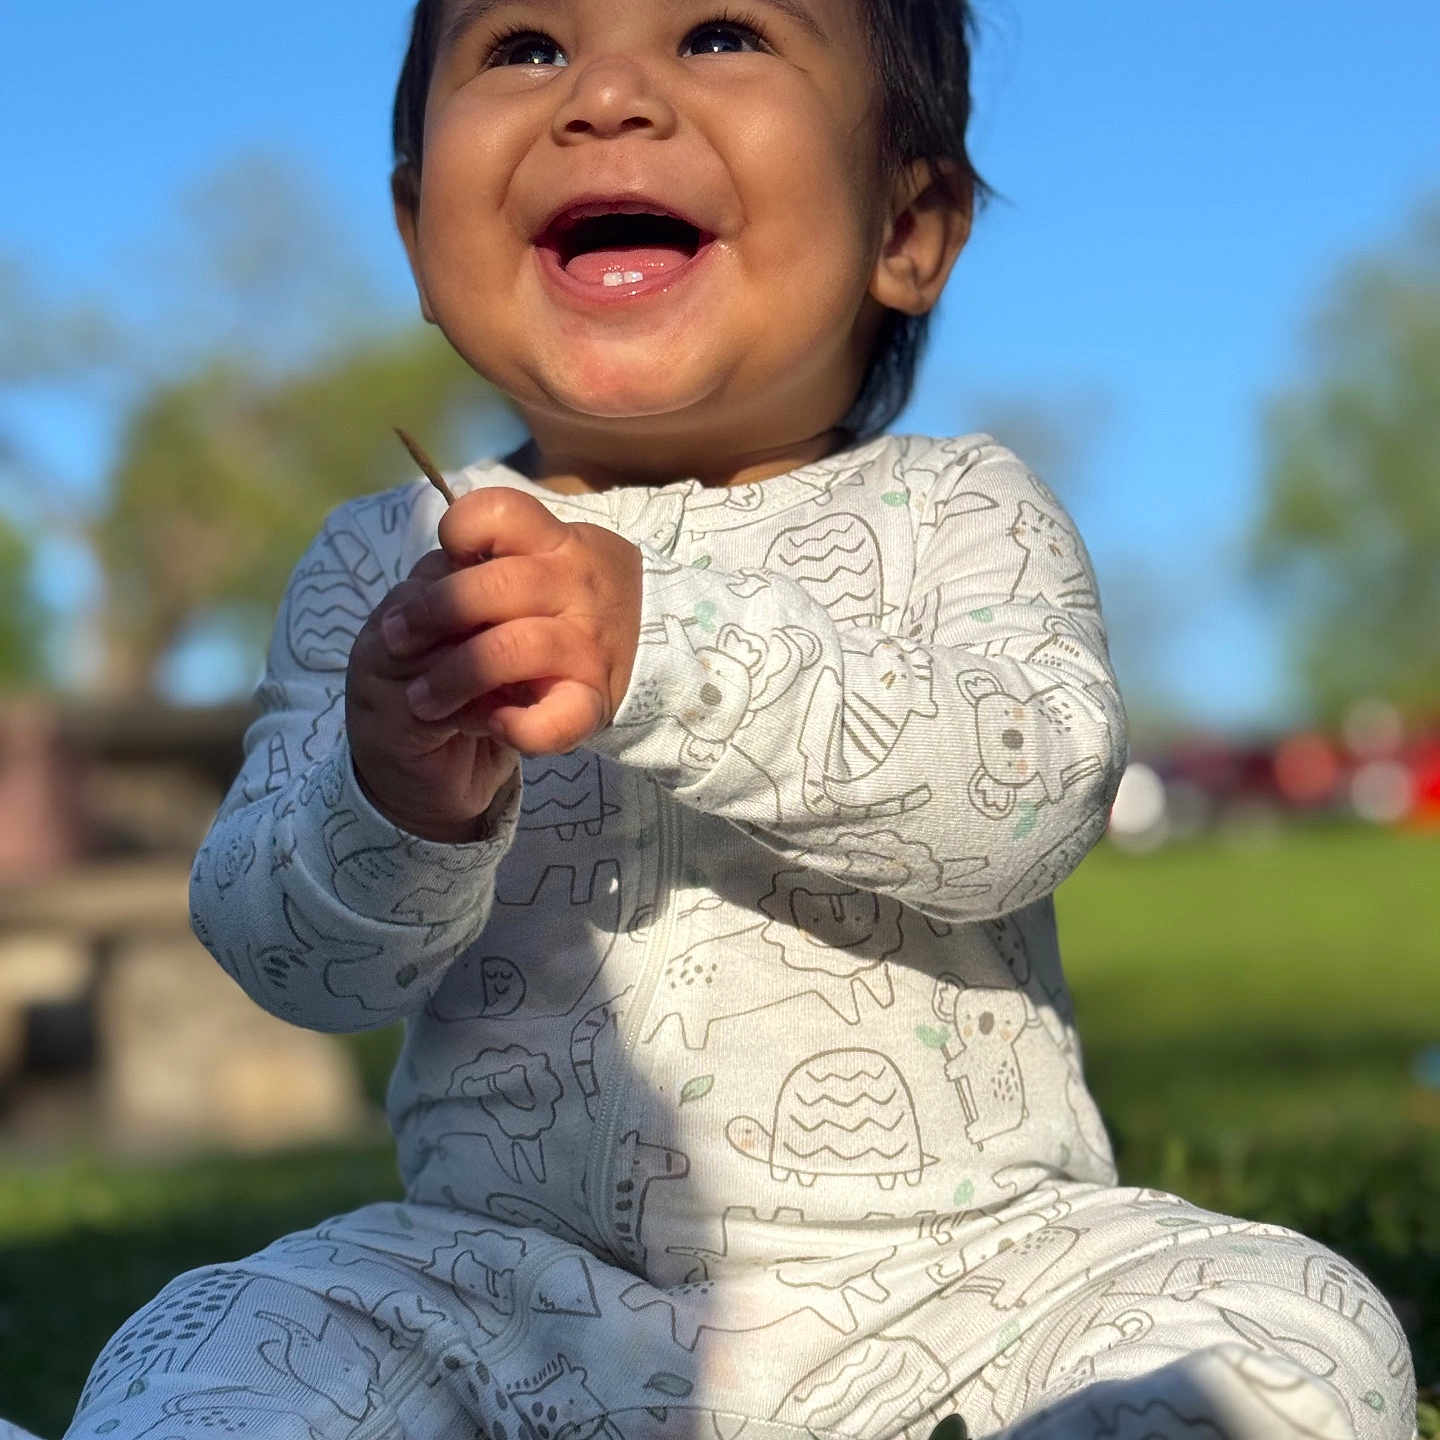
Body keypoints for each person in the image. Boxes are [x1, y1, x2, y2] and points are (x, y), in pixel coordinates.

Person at [53, 2, 1415, 1438]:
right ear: (415, 232)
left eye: (719, 34)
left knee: (1287, 1328)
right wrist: (392, 797)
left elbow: (1027, 801)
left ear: (912, 223)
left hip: (961, 1292)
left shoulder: (960, 515)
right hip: (510, 1302)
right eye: (525, 45)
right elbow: (287, 960)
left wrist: (666, 653)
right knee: (222, 1343)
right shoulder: (386, 559)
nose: (609, 96)